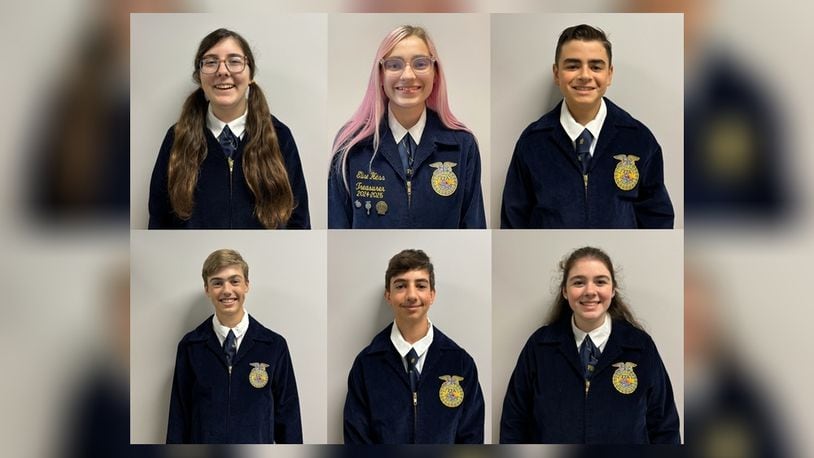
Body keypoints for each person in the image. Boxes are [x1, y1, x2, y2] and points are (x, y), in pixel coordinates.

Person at [499, 246, 680, 444]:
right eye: (579, 282)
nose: (590, 291)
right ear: (565, 291)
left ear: (613, 290)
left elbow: (664, 425)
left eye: (600, 282)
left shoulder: (640, 347)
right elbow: (514, 421)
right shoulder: (540, 346)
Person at [500, 24, 674, 229]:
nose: (584, 75)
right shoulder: (532, 142)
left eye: (596, 66)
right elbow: (514, 220)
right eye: (572, 66)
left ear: (609, 74)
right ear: (557, 74)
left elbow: (657, 217)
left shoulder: (639, 140)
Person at [149, 28, 310, 229]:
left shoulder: (279, 136)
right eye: (211, 62)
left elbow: (299, 220)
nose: (223, 71)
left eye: (234, 61)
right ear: (200, 77)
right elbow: (159, 219)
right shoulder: (176, 138)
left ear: (250, 74)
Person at [328, 25, 486, 229]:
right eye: (395, 65)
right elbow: (337, 225)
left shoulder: (462, 145)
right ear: (380, 75)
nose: (408, 75)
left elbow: (473, 225)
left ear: (435, 72)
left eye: (420, 64)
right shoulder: (351, 144)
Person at [344, 249, 484, 443]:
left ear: (432, 294)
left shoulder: (460, 363)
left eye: (420, 285)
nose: (411, 295)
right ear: (388, 295)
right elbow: (357, 441)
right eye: (401, 286)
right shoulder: (366, 365)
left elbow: (472, 438)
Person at [166, 249, 303, 443]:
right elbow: (179, 418)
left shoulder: (273, 346)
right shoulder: (191, 346)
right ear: (207, 288)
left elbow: (288, 417)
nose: (227, 290)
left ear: (247, 285)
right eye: (217, 283)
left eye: (234, 281)